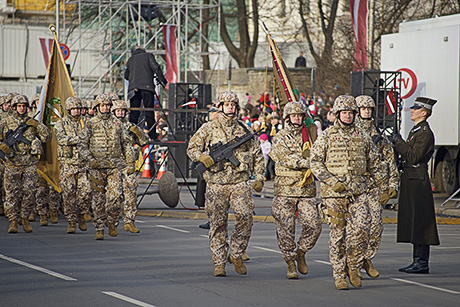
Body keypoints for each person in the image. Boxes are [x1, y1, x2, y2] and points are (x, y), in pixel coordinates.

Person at [310, 95, 387, 290]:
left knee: (360, 230)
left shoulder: (362, 135)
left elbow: (375, 163)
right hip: (334, 195)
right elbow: (315, 162)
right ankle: (339, 275)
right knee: (338, 235)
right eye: (344, 113)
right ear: (337, 114)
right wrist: (331, 181)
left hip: (358, 192)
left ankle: (353, 267)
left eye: (350, 113)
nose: (347, 116)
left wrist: (385, 186)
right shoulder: (327, 136)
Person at [187, 91, 264, 277]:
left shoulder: (244, 130)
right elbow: (192, 148)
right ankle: (219, 262)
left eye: (233, 104)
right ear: (220, 107)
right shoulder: (208, 128)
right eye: (226, 104)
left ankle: (236, 254)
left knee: (246, 217)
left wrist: (260, 177)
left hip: (239, 182)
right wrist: (202, 157)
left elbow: (257, 155)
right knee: (217, 223)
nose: (230, 107)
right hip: (216, 184)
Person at [269, 101, 322, 279]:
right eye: (294, 115)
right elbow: (285, 158)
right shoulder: (280, 136)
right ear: (287, 118)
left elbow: (321, 153)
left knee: (314, 225)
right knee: (285, 229)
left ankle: (301, 251)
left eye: (300, 115)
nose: (297, 118)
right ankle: (290, 262)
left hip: (306, 190)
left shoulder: (311, 136)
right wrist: (308, 163)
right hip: (285, 190)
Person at [391, 97, 440, 274]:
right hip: (411, 178)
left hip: (417, 180)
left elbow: (413, 156)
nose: (412, 110)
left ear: (424, 112)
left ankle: (422, 262)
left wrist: (398, 142)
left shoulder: (425, 133)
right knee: (414, 221)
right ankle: (416, 260)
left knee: (420, 221)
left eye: (416, 108)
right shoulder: (417, 130)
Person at [79, 94, 136, 240]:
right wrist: (90, 160)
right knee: (98, 199)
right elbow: (82, 145)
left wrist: (130, 163)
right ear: (97, 107)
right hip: (97, 168)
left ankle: (112, 222)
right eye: (102, 105)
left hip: (114, 167)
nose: (105, 108)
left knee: (115, 197)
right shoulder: (90, 124)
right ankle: (99, 228)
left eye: (107, 106)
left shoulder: (118, 124)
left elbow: (127, 144)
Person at [355, 95, 399, 278]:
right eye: (363, 108)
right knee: (356, 228)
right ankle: (353, 263)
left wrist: (392, 185)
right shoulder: (350, 132)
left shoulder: (379, 136)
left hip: (373, 187)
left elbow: (390, 161)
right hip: (355, 188)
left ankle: (367, 258)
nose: (366, 111)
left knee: (375, 227)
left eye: (369, 108)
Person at [0, 94, 51, 233]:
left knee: (29, 192)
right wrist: (2, 147)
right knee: (11, 194)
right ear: (14, 107)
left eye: (24, 106)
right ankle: (13, 221)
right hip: (12, 164)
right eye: (19, 106)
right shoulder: (6, 122)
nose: (22, 109)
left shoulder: (31, 122)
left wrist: (38, 125)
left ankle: (25, 218)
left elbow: (47, 137)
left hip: (29, 164)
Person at [54, 97, 92, 233]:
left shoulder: (86, 122)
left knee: (86, 192)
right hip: (68, 164)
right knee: (69, 194)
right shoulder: (61, 124)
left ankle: (82, 214)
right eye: (74, 109)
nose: (76, 111)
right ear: (68, 110)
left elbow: (92, 138)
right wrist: (79, 139)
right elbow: (62, 139)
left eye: (78, 109)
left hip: (83, 164)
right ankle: (71, 221)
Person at [111, 99, 149, 234]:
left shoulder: (130, 126)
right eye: (118, 111)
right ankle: (113, 222)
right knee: (114, 196)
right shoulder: (109, 126)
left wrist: (138, 133)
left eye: (122, 111)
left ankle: (129, 221)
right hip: (113, 165)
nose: (120, 113)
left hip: (129, 166)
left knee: (131, 194)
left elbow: (144, 142)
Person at [124, 46, 167, 140]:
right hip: (147, 87)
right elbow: (156, 67)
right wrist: (163, 81)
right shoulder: (148, 56)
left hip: (133, 88)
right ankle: (152, 135)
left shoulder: (131, 59)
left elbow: (126, 76)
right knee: (149, 111)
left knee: (134, 112)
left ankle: (132, 134)